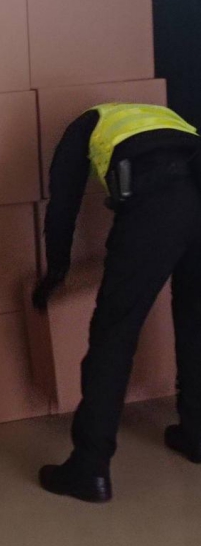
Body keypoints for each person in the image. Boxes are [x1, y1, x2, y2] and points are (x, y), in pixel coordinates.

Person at [33, 101, 201, 503]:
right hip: (196, 192)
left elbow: (63, 205)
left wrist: (55, 273)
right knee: (196, 323)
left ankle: (89, 467)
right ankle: (196, 435)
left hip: (156, 205)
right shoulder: (165, 117)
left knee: (114, 332)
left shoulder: (85, 126)